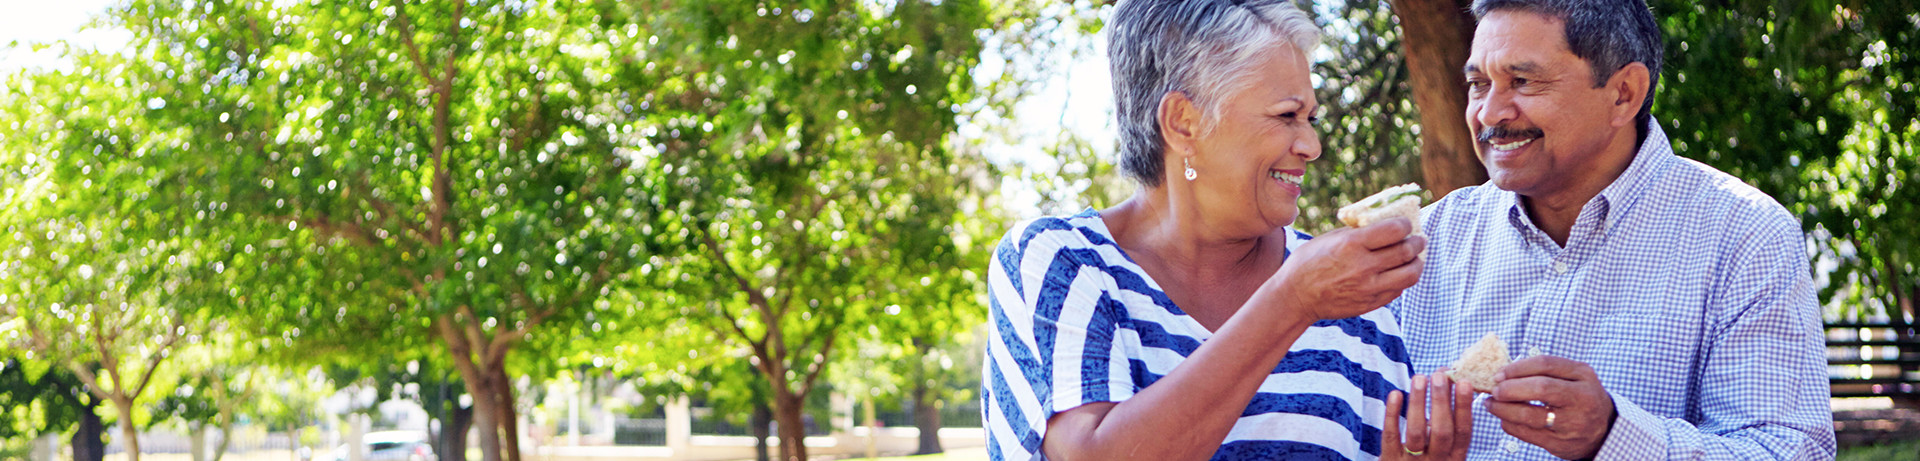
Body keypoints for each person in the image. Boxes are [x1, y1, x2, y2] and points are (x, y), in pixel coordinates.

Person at [982, 1, 1472, 459]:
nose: (1312, 145)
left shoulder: (1350, 300)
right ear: (1183, 123)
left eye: (1312, 118)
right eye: (1287, 116)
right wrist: (1290, 301)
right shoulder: (1064, 260)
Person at [1389, 0, 1836, 459]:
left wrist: (1614, 436)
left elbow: (1788, 450)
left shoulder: (1746, 236)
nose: (1490, 113)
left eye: (1522, 81)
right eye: (1479, 84)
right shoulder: (1426, 240)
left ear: (1624, 93)